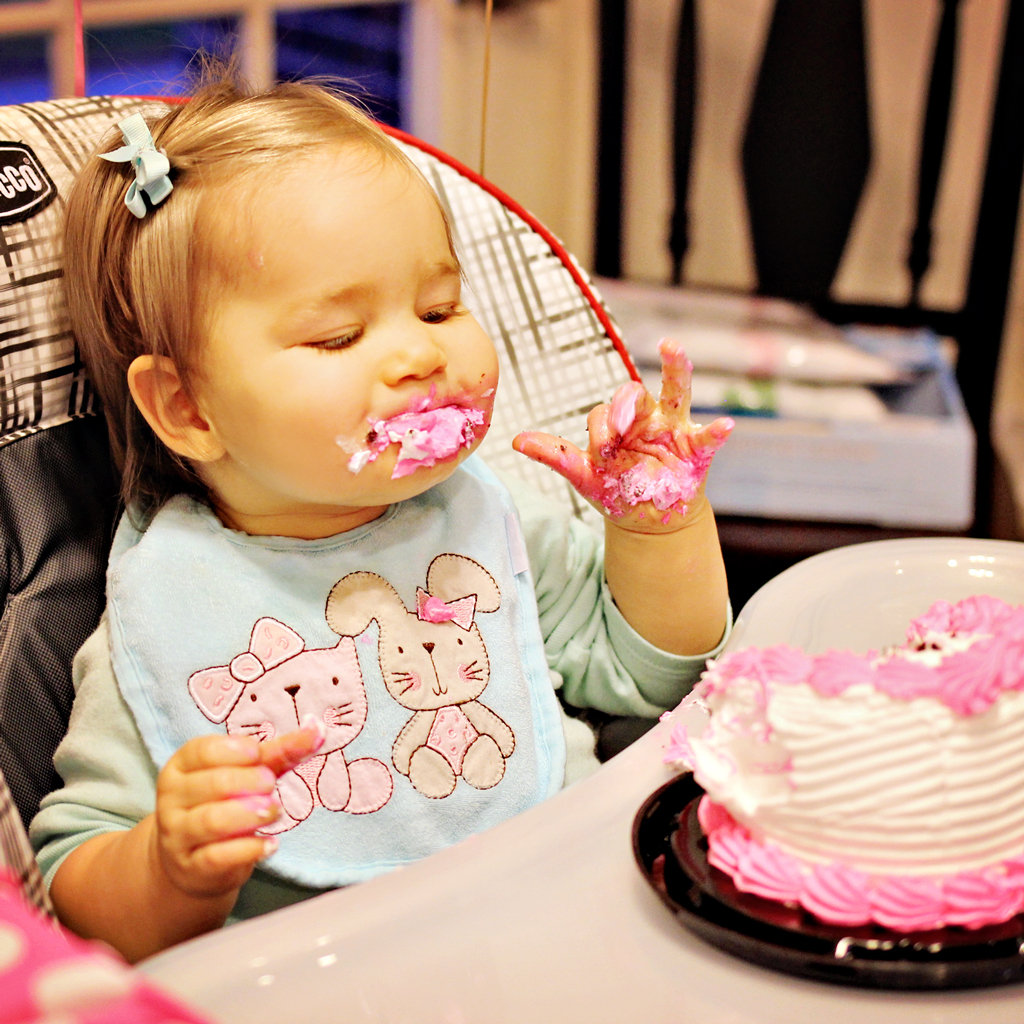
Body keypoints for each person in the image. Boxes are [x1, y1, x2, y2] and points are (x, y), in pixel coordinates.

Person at [30, 71, 732, 963]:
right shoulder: (170, 606)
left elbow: (655, 681)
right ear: (188, 409)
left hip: (567, 935)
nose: (419, 351)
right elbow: (71, 890)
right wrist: (168, 869)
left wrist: (657, 530)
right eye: (337, 336)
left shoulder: (494, 516)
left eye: (440, 307)